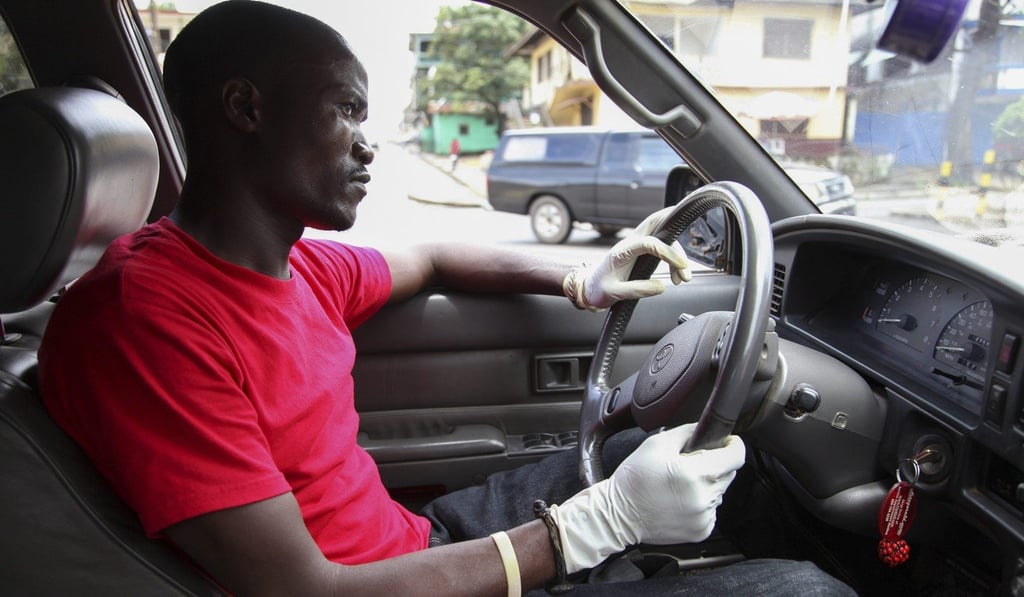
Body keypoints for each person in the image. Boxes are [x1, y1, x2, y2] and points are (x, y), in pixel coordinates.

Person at [38, 2, 854, 595]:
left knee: (738, 474)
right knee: (807, 592)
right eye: (346, 109)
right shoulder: (143, 319)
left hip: (421, 544)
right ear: (247, 108)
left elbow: (429, 255)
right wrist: (589, 529)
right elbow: (303, 591)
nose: (369, 140)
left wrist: (581, 278)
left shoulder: (298, 268)